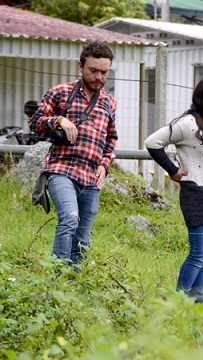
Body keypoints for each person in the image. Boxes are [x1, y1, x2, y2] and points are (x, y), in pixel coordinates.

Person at [145, 76, 203, 303]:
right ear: (201, 98)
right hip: (197, 194)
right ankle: (177, 304)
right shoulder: (187, 124)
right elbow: (153, 142)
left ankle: (196, 307)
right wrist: (173, 170)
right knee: (199, 253)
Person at [30, 41, 117, 267]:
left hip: (91, 177)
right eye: (93, 70)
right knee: (69, 218)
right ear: (80, 66)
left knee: (83, 238)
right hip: (61, 170)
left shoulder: (109, 101)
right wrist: (58, 119)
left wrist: (104, 165)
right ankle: (57, 277)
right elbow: (35, 122)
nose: (99, 76)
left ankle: (75, 283)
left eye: (104, 72)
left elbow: (111, 139)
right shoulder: (60, 92)